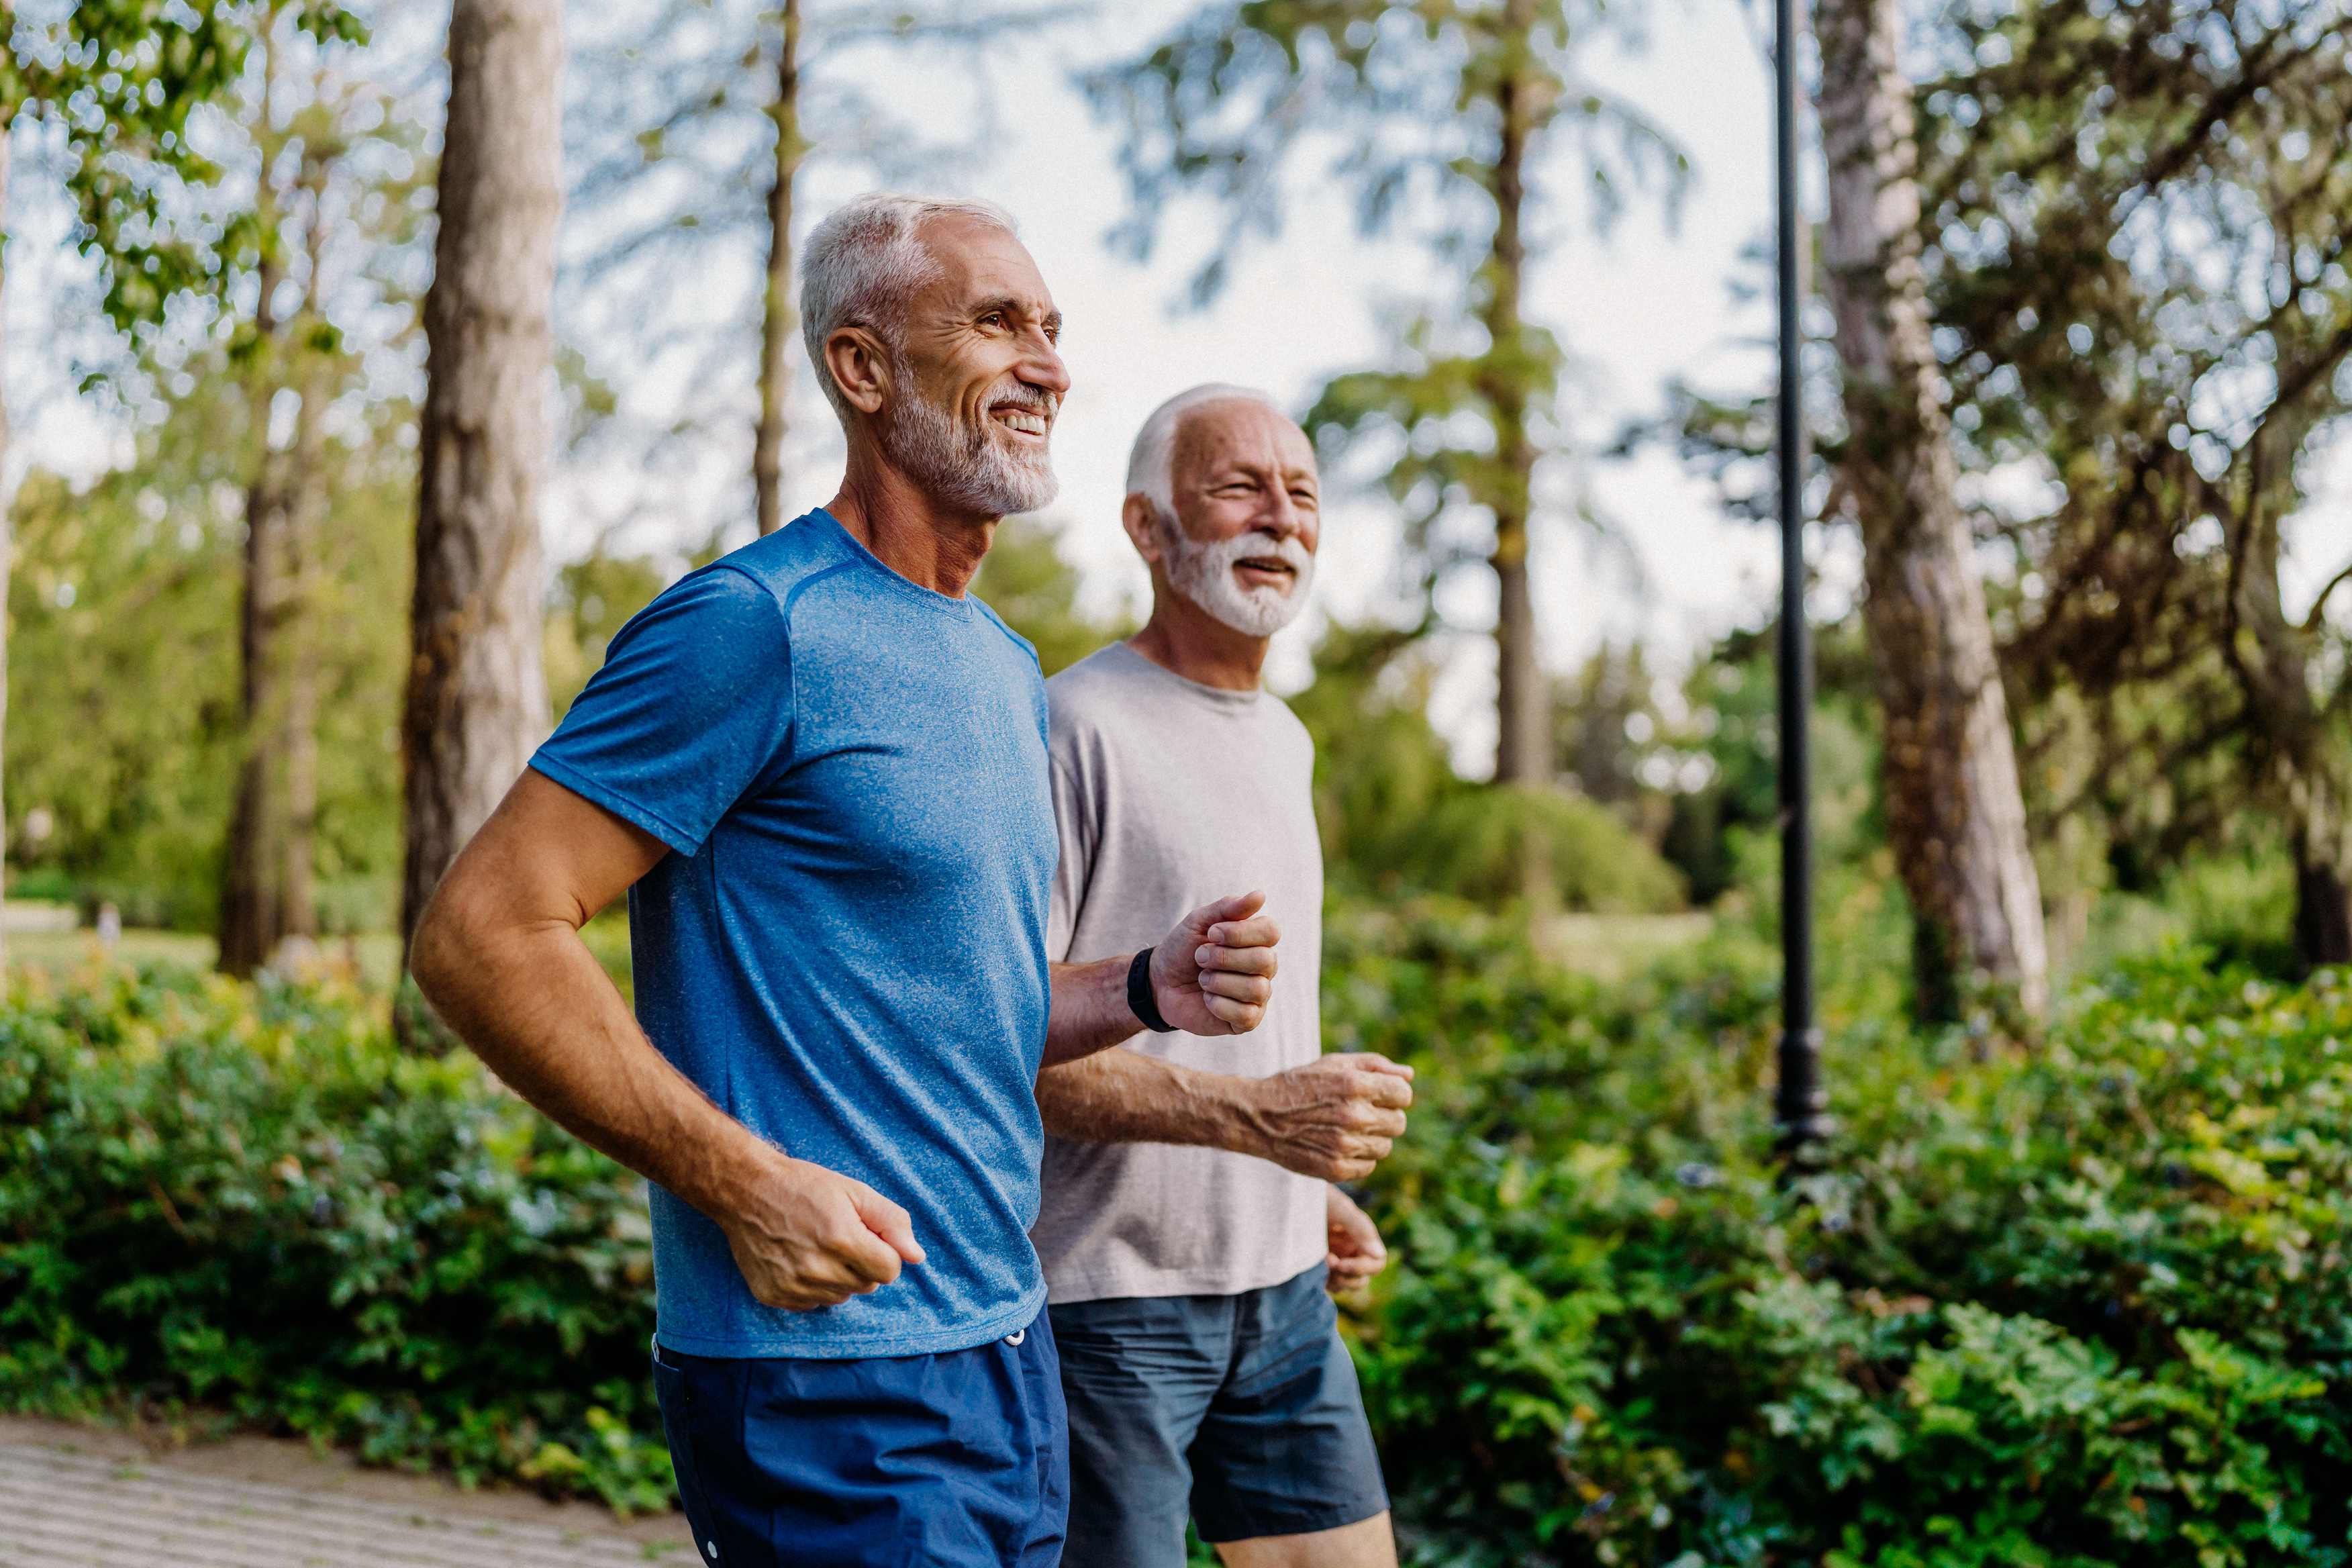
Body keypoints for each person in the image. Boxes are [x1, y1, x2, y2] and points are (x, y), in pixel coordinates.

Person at [407, 199, 1287, 1568]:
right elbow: (483, 931)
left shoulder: (998, 660)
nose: (1048, 364)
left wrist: (1138, 985)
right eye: (997, 322)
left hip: (1005, 1344)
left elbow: (948, 1005)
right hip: (826, 1377)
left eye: (1052, 329)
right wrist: (745, 1186)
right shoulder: (754, 625)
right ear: (862, 369)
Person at [1034, 385, 1414, 1568]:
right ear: (1149, 528)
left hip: (1287, 1293)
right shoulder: (1071, 725)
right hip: (1107, 1308)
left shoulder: (1286, 736)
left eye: (1302, 493)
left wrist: (1301, 1186)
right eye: (1239, 487)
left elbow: (1254, 1035)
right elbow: (1004, 1038)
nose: (1280, 518)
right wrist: (1263, 1127)